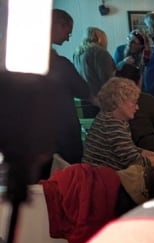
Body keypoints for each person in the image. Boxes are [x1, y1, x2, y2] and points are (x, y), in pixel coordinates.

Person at [83, 77, 154, 170]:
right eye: (134, 102)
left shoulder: (108, 118)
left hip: (100, 177)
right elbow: (136, 163)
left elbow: (131, 152)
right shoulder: (113, 126)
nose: (137, 107)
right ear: (119, 102)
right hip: (103, 182)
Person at [47, 9, 91, 167]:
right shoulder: (61, 65)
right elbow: (84, 91)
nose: (67, 38)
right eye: (68, 32)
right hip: (63, 133)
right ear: (58, 25)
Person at [115, 64, 154, 151]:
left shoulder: (110, 100)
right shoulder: (147, 100)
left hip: (121, 150)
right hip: (145, 149)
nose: (136, 107)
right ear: (139, 81)